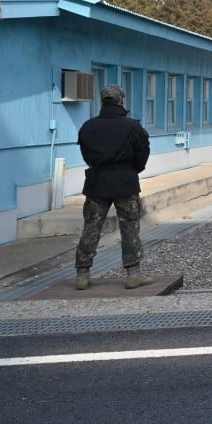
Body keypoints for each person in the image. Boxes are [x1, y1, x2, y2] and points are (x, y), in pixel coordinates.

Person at [73, 84, 153, 290]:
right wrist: (131, 169)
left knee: (91, 227)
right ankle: (133, 274)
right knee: (130, 227)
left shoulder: (88, 126)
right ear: (121, 100)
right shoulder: (132, 127)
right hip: (125, 182)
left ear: (103, 101)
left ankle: (82, 274)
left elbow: (86, 154)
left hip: (96, 182)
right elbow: (142, 154)